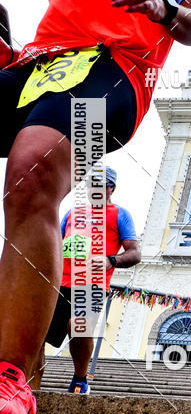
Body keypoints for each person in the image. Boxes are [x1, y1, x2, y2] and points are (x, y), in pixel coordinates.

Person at [0, 0, 191, 414]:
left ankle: (17, 376)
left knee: (31, 173)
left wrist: (162, 6)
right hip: (38, 67)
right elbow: (50, 38)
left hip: (112, 71)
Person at [34, 166, 140, 394]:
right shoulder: (72, 213)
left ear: (111, 188)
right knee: (38, 332)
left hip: (91, 284)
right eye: (91, 184)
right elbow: (57, 244)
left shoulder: (120, 214)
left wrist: (112, 260)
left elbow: (135, 253)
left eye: (100, 184)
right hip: (60, 282)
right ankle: (32, 384)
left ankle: (80, 378)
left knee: (78, 326)